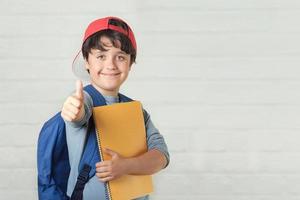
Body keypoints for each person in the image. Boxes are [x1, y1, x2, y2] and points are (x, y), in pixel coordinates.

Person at [60, 16, 170, 200]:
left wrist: (126, 166)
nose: (110, 65)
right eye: (101, 56)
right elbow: (79, 115)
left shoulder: (136, 110)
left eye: (120, 57)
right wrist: (73, 111)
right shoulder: (84, 99)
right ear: (87, 61)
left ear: (130, 63)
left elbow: (162, 155)